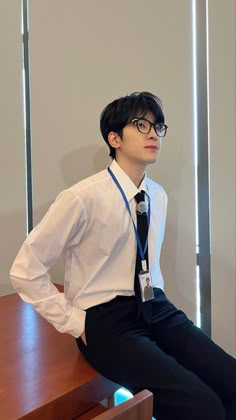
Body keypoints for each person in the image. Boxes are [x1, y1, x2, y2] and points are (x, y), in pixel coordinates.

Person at [10, 92, 236, 420]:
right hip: (106, 320)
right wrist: (74, 322)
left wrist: (159, 306)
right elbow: (25, 271)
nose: (152, 133)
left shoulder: (157, 196)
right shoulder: (81, 197)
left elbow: (148, 266)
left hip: (154, 306)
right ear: (114, 138)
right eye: (141, 124)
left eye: (157, 126)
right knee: (202, 406)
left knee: (230, 380)